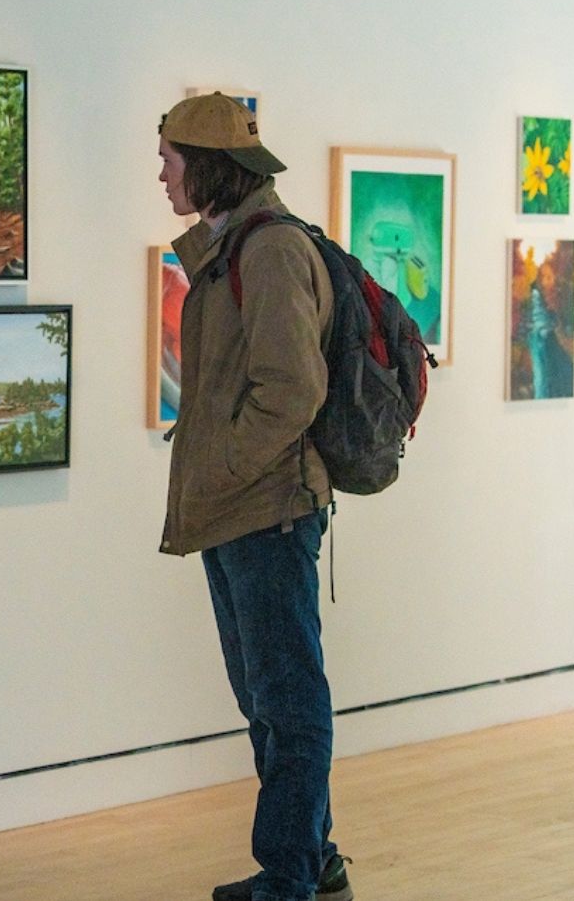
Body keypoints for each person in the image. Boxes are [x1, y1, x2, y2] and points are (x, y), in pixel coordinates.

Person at [156, 93, 351, 901]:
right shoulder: (235, 246)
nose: (161, 173)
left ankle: (288, 877)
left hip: (267, 512)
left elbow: (292, 389)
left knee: (289, 705)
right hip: (241, 513)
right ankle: (316, 861)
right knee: (268, 701)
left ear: (204, 164)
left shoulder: (267, 252)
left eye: (168, 157)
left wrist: (224, 468)